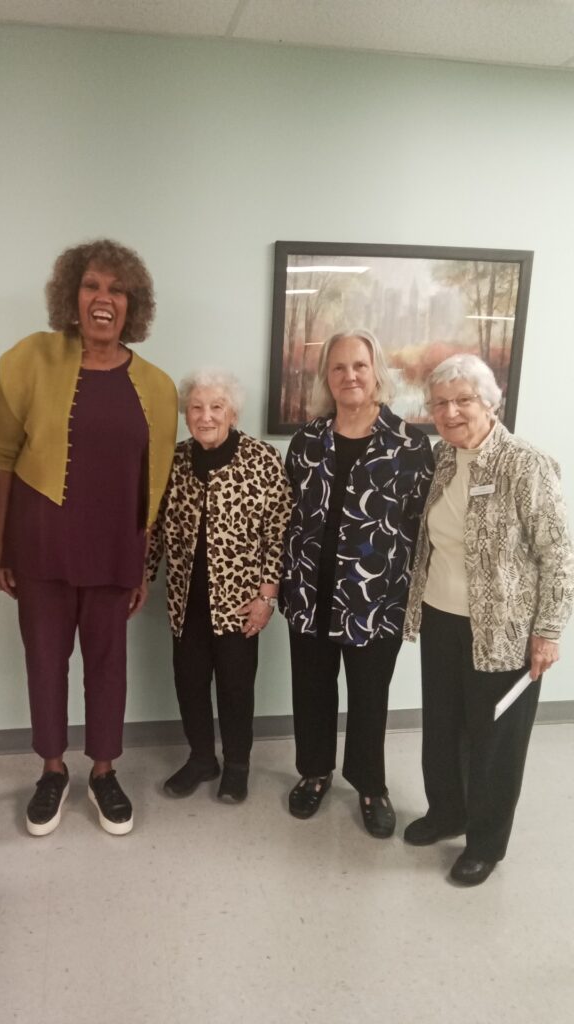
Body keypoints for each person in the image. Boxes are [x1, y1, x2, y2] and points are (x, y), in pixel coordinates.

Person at [0, 238, 177, 838]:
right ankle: (51, 770)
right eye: (92, 285)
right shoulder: (30, 359)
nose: (104, 298)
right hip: (40, 545)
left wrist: (141, 564)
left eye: (117, 290)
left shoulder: (157, 385)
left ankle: (103, 771)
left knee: (107, 665)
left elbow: (156, 481)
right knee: (45, 662)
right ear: (71, 296)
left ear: (133, 305)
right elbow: (2, 455)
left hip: (115, 547)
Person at [403, 353, 574, 885]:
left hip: (505, 631)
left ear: (490, 401)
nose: (450, 412)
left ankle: (486, 842)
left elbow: (560, 555)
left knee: (496, 741)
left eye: (463, 400)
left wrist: (547, 633)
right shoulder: (445, 458)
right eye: (440, 403)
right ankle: (447, 812)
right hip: (441, 617)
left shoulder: (526, 463)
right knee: (443, 727)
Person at [280, 329, 434, 837]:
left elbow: (422, 529)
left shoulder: (410, 445)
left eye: (359, 366)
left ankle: (371, 785)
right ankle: (315, 773)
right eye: (339, 367)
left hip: (375, 601)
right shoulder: (306, 443)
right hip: (308, 596)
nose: (350, 376)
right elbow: (290, 519)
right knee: (312, 690)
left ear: (376, 373)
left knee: (370, 697)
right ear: (327, 377)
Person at [147, 370, 292, 802]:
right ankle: (201, 759)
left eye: (216, 407)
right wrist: (138, 579)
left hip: (240, 600)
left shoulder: (261, 458)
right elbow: (154, 531)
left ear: (232, 412)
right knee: (188, 682)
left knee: (235, 685)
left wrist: (267, 597)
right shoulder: (175, 460)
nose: (206, 416)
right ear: (186, 413)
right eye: (196, 407)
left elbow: (279, 532)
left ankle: (238, 765)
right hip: (185, 598)